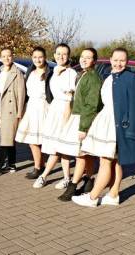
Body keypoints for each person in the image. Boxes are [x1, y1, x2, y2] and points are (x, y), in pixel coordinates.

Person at [71, 48, 135, 207]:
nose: (119, 63)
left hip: (117, 124)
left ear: (127, 61)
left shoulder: (130, 78)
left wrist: (131, 130)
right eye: (116, 60)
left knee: (105, 161)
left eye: (122, 60)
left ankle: (92, 197)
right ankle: (113, 195)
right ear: (110, 60)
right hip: (106, 121)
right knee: (114, 162)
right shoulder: (110, 77)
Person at [57, 48, 102, 202]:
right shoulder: (83, 74)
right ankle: (89, 182)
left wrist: (83, 127)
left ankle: (73, 186)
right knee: (86, 155)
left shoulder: (93, 78)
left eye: (88, 57)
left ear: (94, 61)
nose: (84, 59)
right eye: (82, 56)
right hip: (79, 117)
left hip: (85, 119)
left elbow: (92, 104)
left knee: (80, 154)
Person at [33, 43, 77, 189]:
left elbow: (70, 97)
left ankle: (44, 175)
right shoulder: (53, 71)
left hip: (64, 111)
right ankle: (66, 177)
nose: (60, 56)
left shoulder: (71, 73)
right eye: (58, 53)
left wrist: (66, 117)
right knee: (59, 147)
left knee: (58, 147)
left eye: (64, 54)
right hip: (54, 109)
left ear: (68, 56)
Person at [15, 46, 53, 179]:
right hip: (31, 107)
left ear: (45, 58)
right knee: (32, 140)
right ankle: (40, 165)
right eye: (35, 57)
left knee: (39, 140)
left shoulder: (50, 73)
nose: (38, 59)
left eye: (40, 57)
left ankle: (39, 167)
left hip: (43, 107)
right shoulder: (30, 71)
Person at [0, 48, 25, 177]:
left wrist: (19, 112)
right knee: (8, 138)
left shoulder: (17, 73)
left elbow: (21, 94)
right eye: (3, 56)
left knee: (5, 138)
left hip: (11, 109)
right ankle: (12, 164)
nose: (6, 58)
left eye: (9, 56)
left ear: (12, 57)